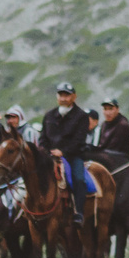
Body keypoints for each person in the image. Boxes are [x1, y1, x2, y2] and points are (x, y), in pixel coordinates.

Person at [41, 85, 94, 223]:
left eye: (67, 95)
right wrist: (47, 152)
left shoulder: (81, 116)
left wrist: (63, 152)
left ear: (74, 97)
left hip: (73, 155)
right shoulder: (49, 115)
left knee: (78, 178)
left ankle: (79, 212)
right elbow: (43, 138)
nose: (63, 98)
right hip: (50, 155)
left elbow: (79, 140)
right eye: (61, 95)